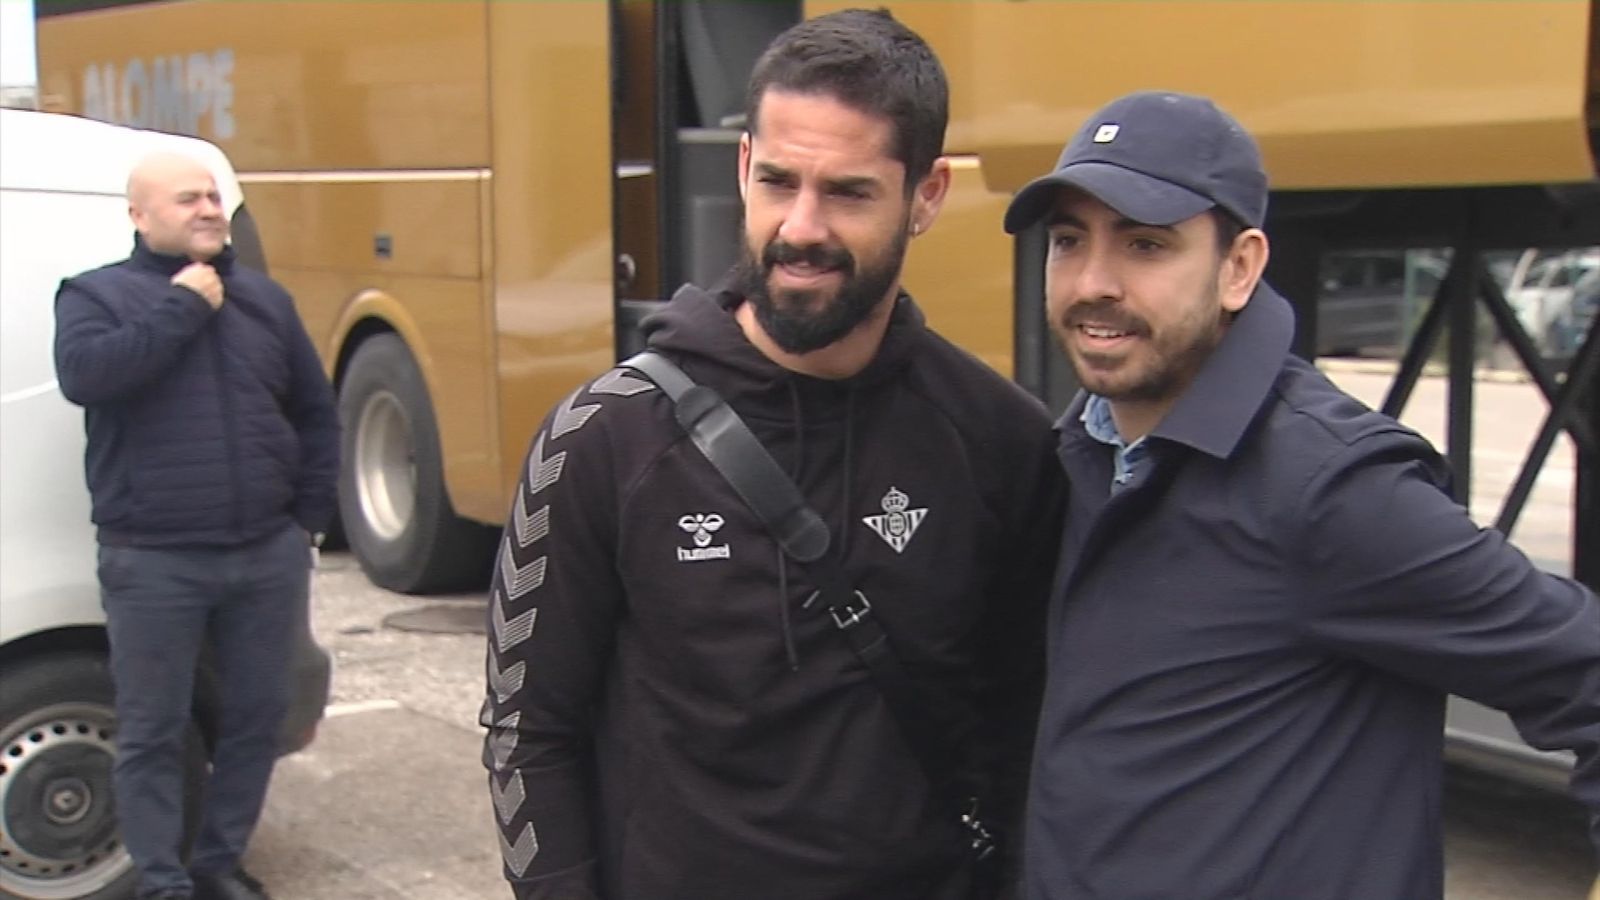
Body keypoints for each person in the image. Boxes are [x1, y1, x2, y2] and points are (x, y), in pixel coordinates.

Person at [480, 9, 1064, 900]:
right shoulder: (602, 438)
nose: (801, 228)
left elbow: (1022, 725)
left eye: (849, 193)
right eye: (779, 181)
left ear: (928, 195)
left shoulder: (1002, 442)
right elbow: (529, 733)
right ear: (743, 165)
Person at [1002, 90, 1600, 900]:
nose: (1093, 282)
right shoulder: (1082, 453)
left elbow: (1584, 670)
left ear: (1239, 268)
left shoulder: (1328, 486)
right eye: (1069, 241)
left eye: (1145, 244)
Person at [54, 151, 339, 900]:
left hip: (265, 554)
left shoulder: (265, 302)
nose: (210, 209)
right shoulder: (95, 296)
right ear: (140, 215)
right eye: (188, 199)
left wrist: (305, 524)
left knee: (257, 719)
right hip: (155, 561)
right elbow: (88, 377)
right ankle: (161, 881)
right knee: (152, 729)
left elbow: (315, 413)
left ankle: (217, 865)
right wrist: (182, 307)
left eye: (214, 196)